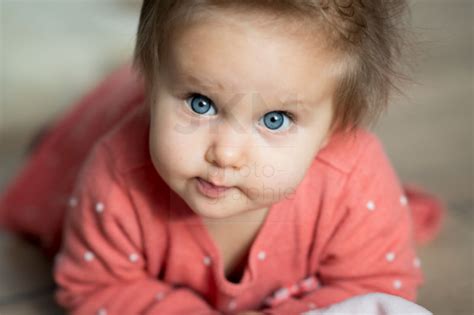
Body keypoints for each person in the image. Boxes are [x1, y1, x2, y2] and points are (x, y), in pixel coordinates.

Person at [0, 1, 446, 314]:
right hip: (109, 115)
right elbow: (93, 287)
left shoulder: (352, 181)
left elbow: (378, 291)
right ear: (152, 85)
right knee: (66, 145)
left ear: (335, 128)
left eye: (274, 120)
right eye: (200, 103)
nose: (226, 154)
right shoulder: (118, 174)